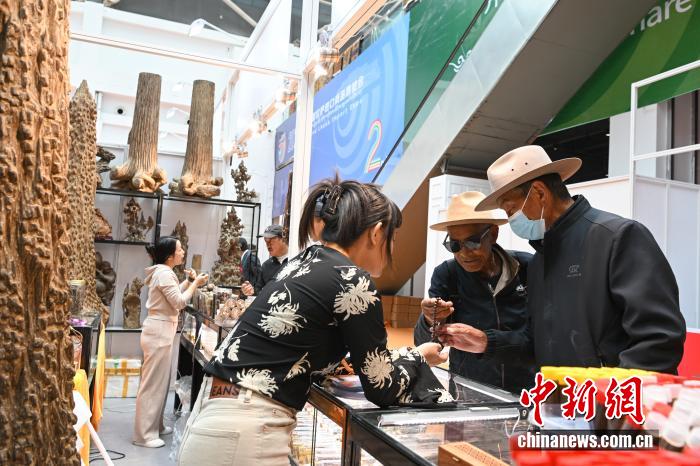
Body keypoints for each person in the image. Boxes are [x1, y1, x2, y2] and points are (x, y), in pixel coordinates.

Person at [178, 180, 449, 465]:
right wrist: (418, 357)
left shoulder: (301, 262)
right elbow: (381, 387)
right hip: (246, 429)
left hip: (215, 414)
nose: (393, 247)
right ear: (377, 232)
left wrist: (408, 355)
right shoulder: (352, 279)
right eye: (393, 237)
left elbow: (347, 358)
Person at [440, 145, 686, 374]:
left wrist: (608, 395)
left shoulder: (617, 238)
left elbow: (657, 338)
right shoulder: (540, 261)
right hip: (562, 400)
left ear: (539, 193)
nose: (511, 219)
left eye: (510, 209)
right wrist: (487, 342)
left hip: (609, 401)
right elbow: (537, 342)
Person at [414, 191, 533, 393]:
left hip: (527, 389)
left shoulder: (527, 268)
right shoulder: (447, 275)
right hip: (468, 390)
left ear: (493, 234)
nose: (464, 253)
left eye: (472, 242)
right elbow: (426, 344)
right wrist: (429, 320)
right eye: (454, 245)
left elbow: (543, 338)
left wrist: (487, 342)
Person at [134, 237, 208, 448]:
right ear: (170, 256)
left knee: (160, 383)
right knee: (152, 385)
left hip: (161, 331)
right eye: (180, 249)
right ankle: (144, 435)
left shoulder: (164, 272)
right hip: (158, 332)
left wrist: (188, 282)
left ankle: (154, 426)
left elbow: (173, 294)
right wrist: (196, 283)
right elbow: (179, 302)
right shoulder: (164, 273)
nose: (183, 252)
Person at [240, 224, 288, 296]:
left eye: (271, 241)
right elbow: (258, 290)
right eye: (266, 241)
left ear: (283, 239)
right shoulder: (266, 265)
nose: (268, 245)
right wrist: (250, 291)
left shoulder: (297, 261)